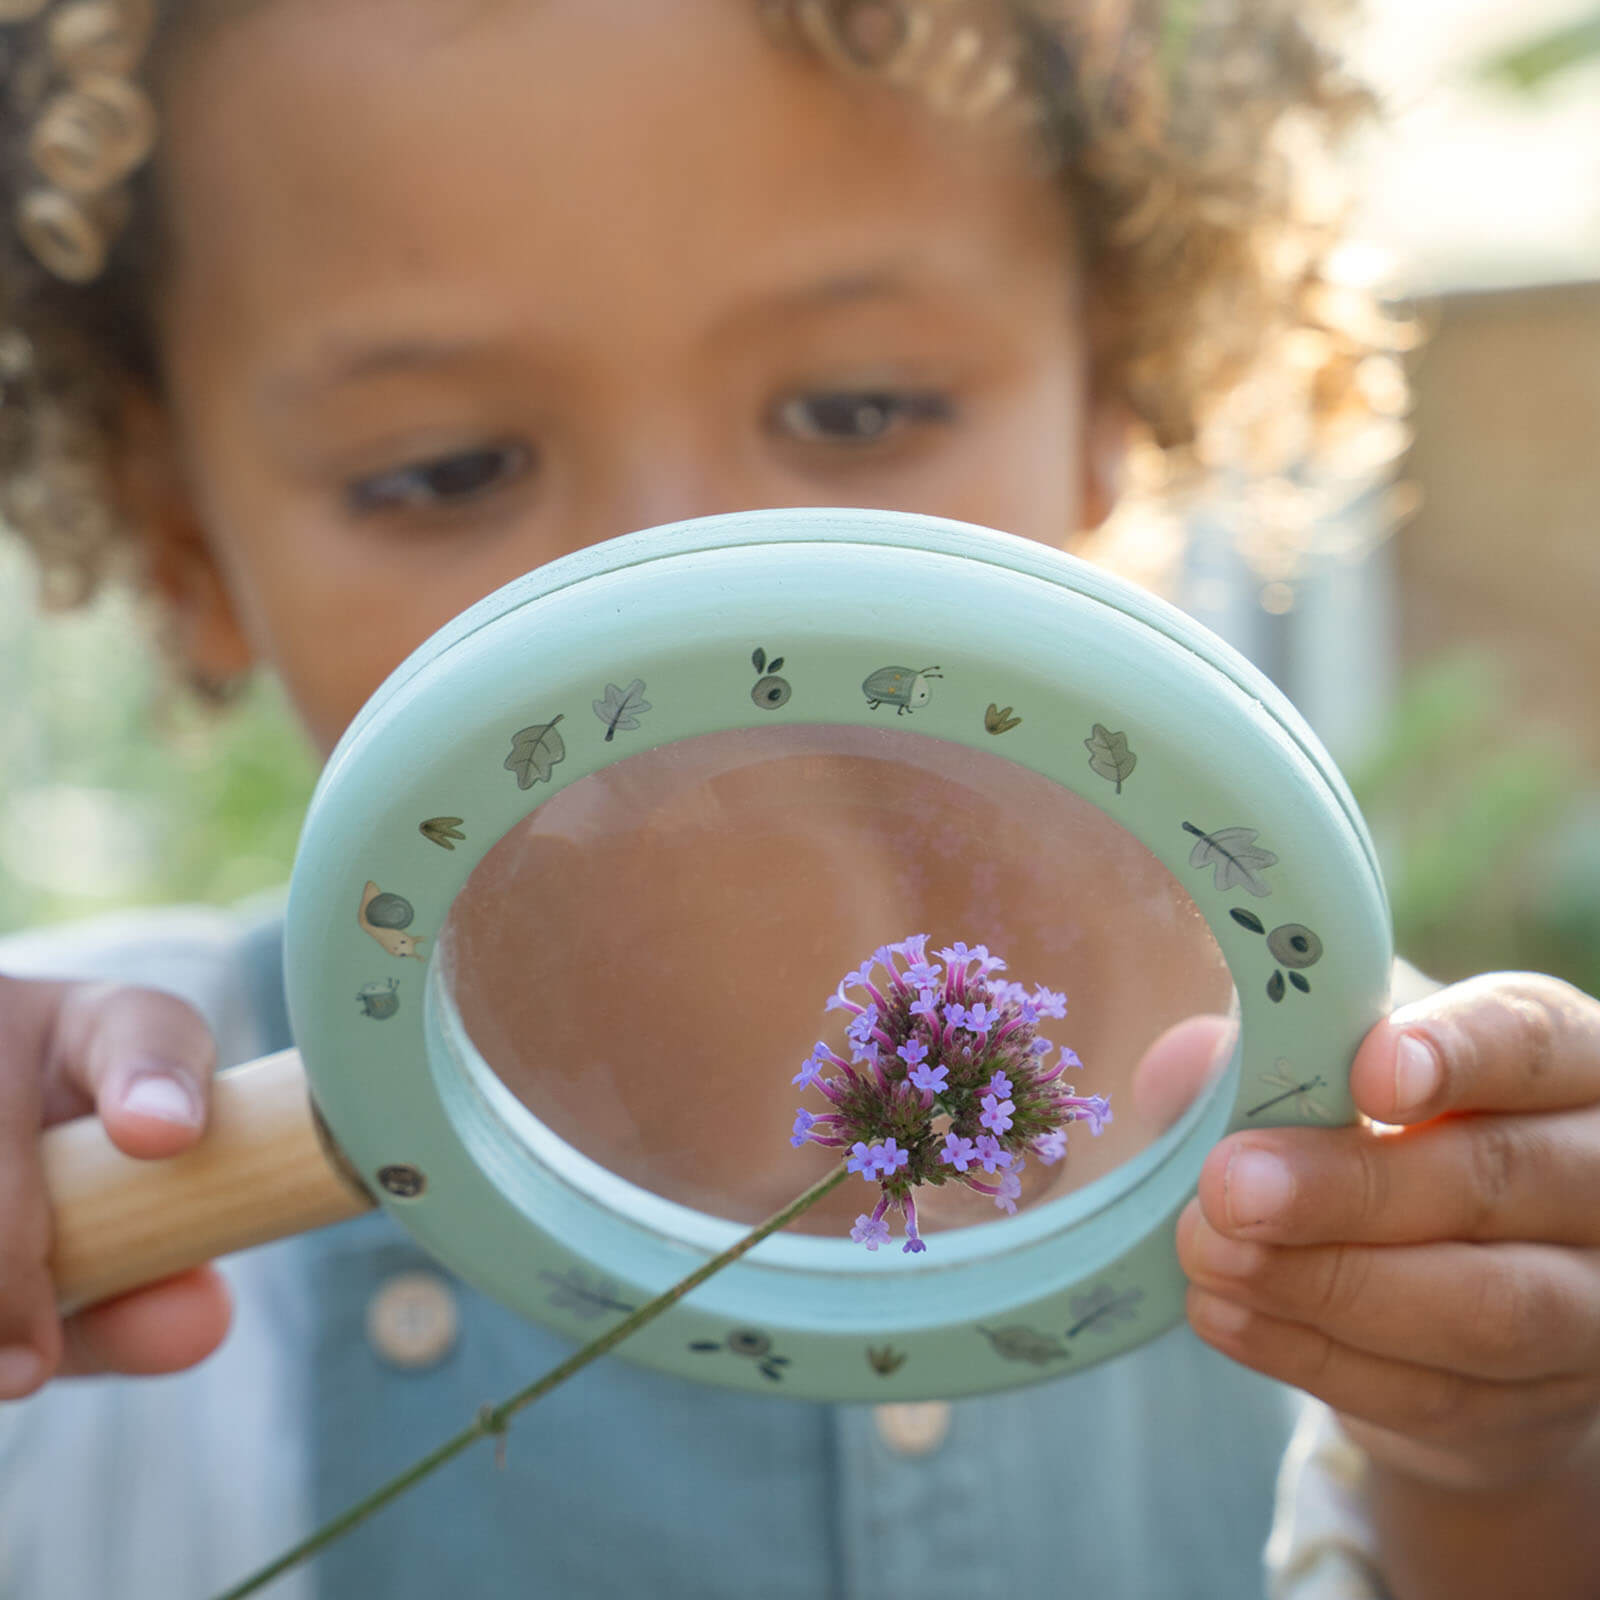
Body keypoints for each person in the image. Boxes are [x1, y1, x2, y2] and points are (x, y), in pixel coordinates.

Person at [2, 2, 1598, 1596]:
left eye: (854, 411)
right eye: (445, 468)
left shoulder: (1374, 1152)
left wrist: (1499, 1468)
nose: (679, 588)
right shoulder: (104, 1143)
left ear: (1114, 400)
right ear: (181, 538)